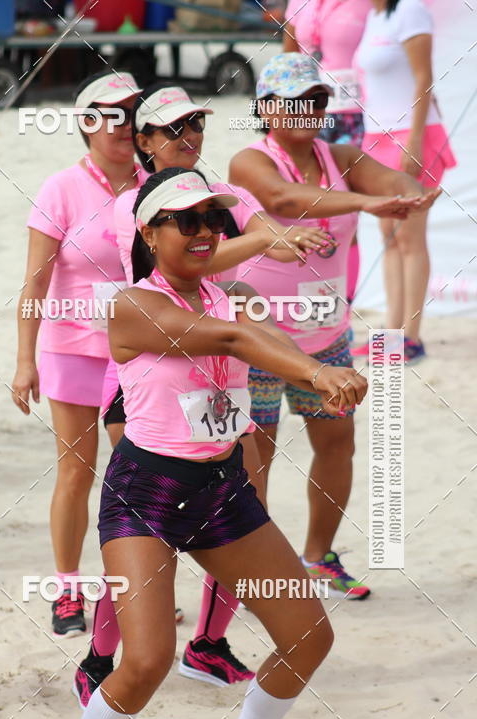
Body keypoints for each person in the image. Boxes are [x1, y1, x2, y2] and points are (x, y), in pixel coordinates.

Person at [29, 168, 368, 719]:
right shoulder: (131, 305)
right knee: (148, 661)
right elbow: (236, 341)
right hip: (147, 494)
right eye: (187, 220)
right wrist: (317, 371)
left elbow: (260, 335)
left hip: (222, 491)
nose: (207, 232)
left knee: (308, 638)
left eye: (214, 219)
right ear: (149, 234)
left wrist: (317, 370)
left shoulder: (235, 294)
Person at [74, 81, 333, 706]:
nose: (190, 136)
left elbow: (253, 228)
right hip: (152, 372)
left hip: (220, 369)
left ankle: (210, 643)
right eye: (174, 127)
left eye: (196, 123)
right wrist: (261, 240)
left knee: (238, 492)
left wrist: (273, 232)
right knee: (144, 521)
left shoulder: (223, 196)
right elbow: (196, 267)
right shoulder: (131, 205)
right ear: (145, 140)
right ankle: (103, 653)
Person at [228, 53, 438, 598]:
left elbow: (388, 176)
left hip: (327, 337)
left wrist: (405, 191)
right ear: (267, 108)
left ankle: (318, 558)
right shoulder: (249, 161)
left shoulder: (340, 155)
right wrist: (372, 202)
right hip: (259, 339)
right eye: (297, 100)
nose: (310, 109)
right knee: (258, 458)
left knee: (337, 442)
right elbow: (282, 197)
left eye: (318, 99)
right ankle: (257, 575)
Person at [11, 72, 147, 637]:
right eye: (110, 114)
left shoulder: (159, 184)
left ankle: (136, 589)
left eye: (131, 113)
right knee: (76, 472)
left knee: (136, 475)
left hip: (137, 353)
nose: (123, 125)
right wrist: (25, 360)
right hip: (71, 347)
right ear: (86, 123)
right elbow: (34, 284)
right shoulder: (61, 188)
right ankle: (67, 590)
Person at [354, 0, 456, 362]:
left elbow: (423, 77)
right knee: (389, 237)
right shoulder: (375, 16)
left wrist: (413, 142)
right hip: (375, 140)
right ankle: (390, 334)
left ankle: (411, 337)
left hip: (411, 137)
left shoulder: (410, 10)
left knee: (410, 238)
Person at [283, 0, 372, 305]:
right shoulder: (299, 3)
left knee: (345, 213)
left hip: (355, 114)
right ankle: (314, 295)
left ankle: (346, 302)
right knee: (308, 210)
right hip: (307, 115)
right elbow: (288, 59)